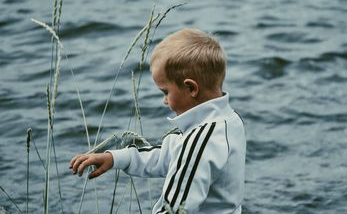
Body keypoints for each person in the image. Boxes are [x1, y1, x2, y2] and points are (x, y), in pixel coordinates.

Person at [69, 28, 246, 213]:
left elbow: (176, 209)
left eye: (166, 92)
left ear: (191, 88)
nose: (165, 100)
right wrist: (116, 158)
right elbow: (168, 155)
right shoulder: (227, 121)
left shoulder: (202, 138)